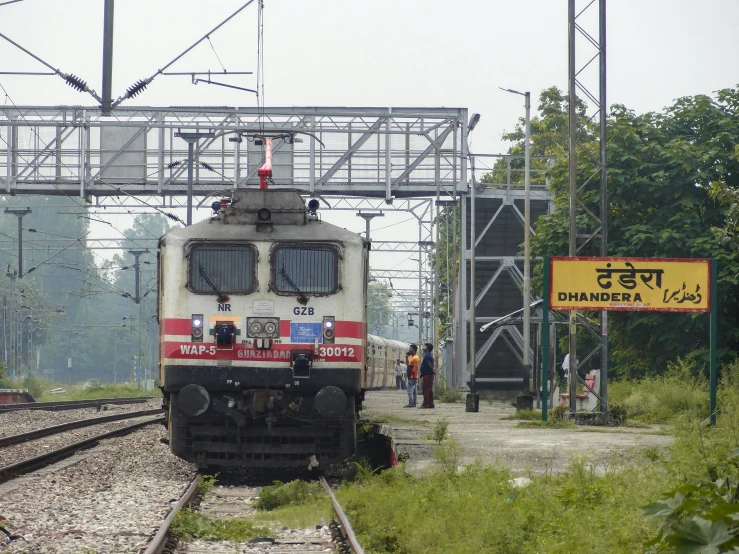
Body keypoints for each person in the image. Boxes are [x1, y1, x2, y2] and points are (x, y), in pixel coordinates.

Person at [419, 342, 435, 409]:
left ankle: (425, 404)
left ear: (428, 348)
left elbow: (429, 364)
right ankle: (431, 404)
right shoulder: (429, 355)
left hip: (427, 375)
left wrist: (432, 370)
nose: (423, 347)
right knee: (429, 390)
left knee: (425, 390)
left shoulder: (427, 356)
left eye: (425, 346)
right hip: (429, 375)